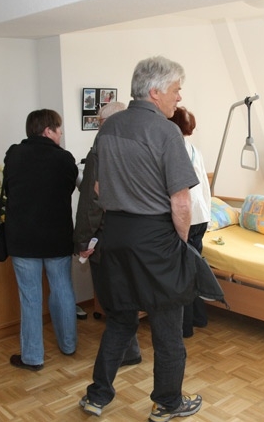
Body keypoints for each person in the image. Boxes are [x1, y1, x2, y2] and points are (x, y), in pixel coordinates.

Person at [80, 56, 203, 421]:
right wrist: (181, 245)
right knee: (167, 330)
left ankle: (97, 396)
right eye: (176, 90)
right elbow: (181, 201)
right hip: (154, 241)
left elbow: (95, 188)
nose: (179, 97)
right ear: (155, 91)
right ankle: (168, 403)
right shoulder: (165, 132)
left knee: (120, 321)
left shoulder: (109, 128)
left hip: (115, 237)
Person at [3, 109, 78, 371]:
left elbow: (10, 189)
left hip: (23, 238)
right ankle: (68, 345)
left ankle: (33, 357)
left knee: (30, 297)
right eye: (59, 129)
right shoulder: (64, 158)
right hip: (57, 236)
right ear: (48, 130)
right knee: (62, 289)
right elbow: (69, 188)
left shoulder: (14, 154)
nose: (61, 134)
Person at [73, 100, 142, 366]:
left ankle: (124, 353)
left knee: (113, 299)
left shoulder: (99, 152)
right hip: (134, 236)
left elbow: (91, 202)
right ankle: (130, 349)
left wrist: (82, 240)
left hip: (108, 238)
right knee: (127, 295)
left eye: (100, 123)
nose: (98, 128)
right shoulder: (139, 147)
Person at [168, 107, 211, 338]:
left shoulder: (172, 150)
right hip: (201, 216)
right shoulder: (195, 151)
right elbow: (204, 186)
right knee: (194, 269)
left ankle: (185, 327)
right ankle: (199, 318)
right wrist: (208, 216)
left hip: (185, 217)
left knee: (181, 273)